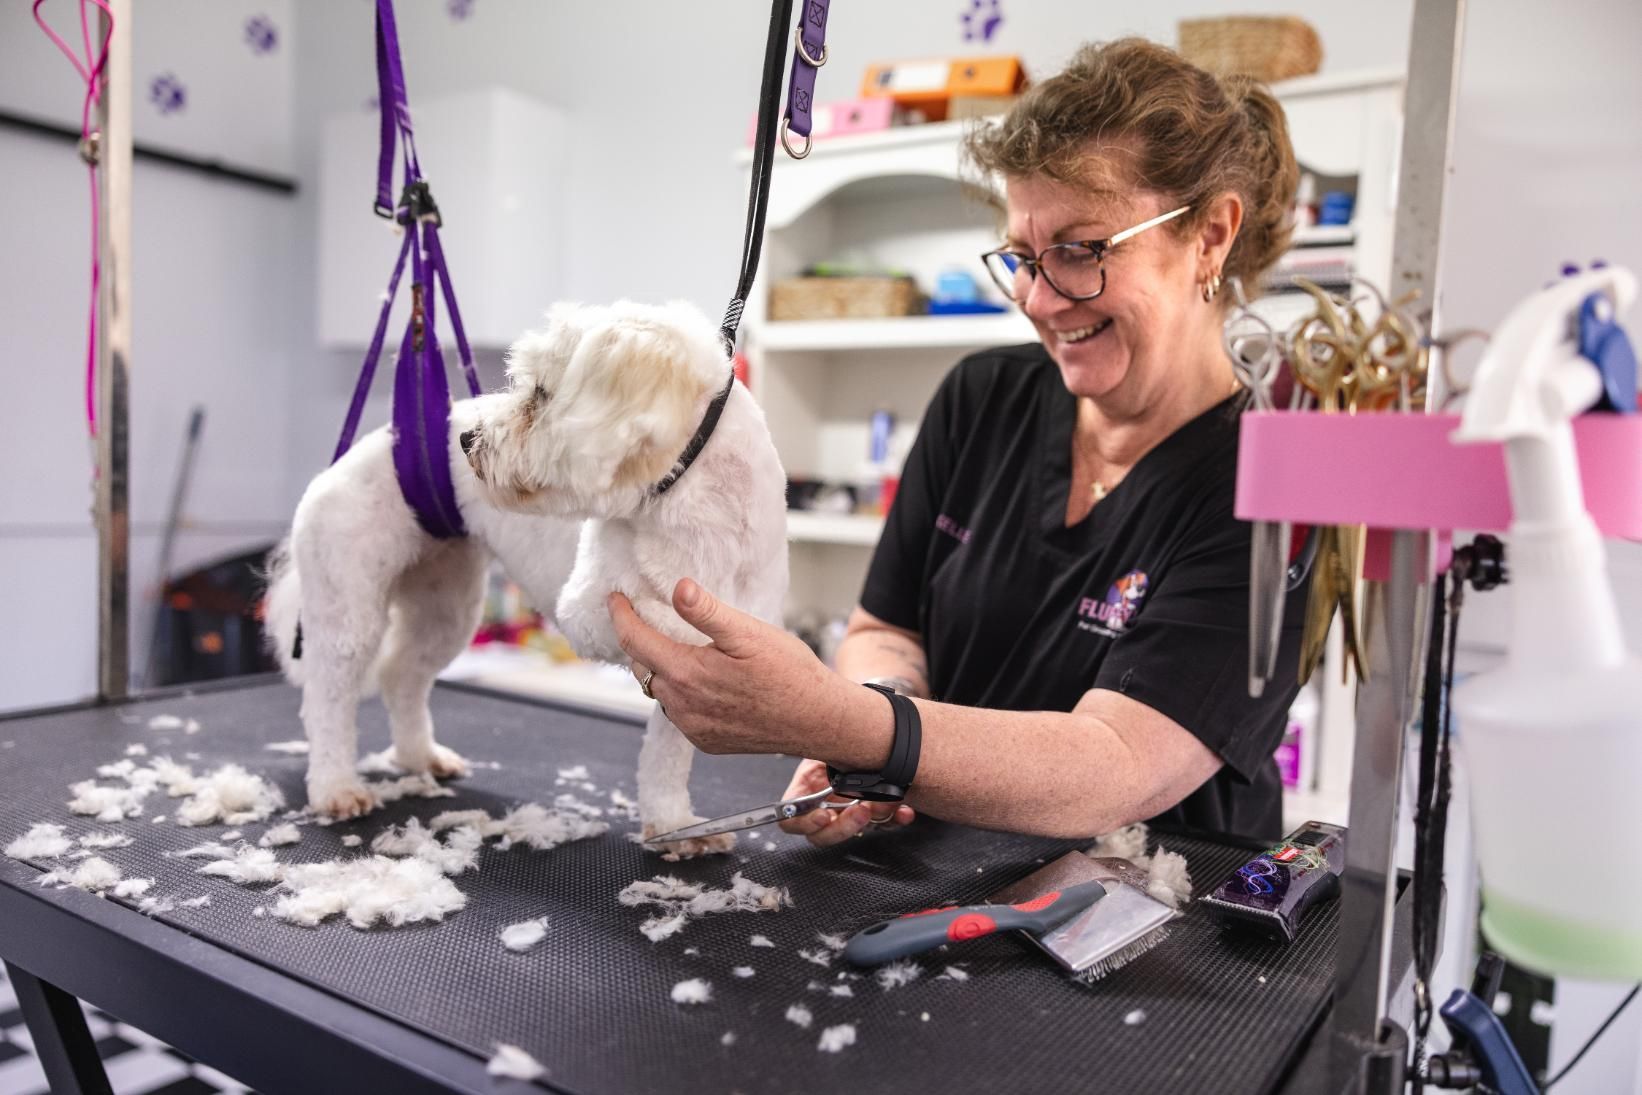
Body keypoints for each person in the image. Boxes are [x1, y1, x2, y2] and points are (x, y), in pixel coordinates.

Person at [609, 38, 1306, 848]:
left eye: (1080, 251)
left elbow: (1111, 768)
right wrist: (869, 750)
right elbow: (889, 627)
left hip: (1154, 932)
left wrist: (850, 722)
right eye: (1020, 256)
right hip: (941, 879)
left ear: (1211, 235)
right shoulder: (983, 397)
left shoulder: (1271, 477)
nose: (1038, 299)